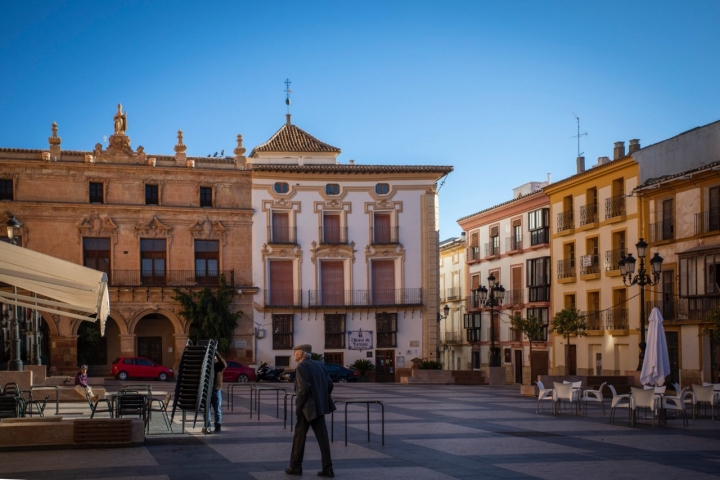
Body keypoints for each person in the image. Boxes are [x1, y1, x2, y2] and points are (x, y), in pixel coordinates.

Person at [286, 344, 335, 478]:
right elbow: (330, 384)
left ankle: (296, 467)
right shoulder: (319, 365)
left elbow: (303, 390)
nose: (294, 354)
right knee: (323, 438)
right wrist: (322, 397)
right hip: (319, 407)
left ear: (301, 354)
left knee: (299, 437)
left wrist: (299, 406)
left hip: (307, 408)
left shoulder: (302, 367)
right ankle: (328, 468)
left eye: (295, 352)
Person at [203, 353, 227, 434]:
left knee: (217, 410)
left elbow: (224, 364)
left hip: (216, 390)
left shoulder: (218, 365)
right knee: (207, 410)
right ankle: (208, 427)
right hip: (207, 391)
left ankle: (218, 427)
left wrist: (217, 354)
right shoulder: (206, 364)